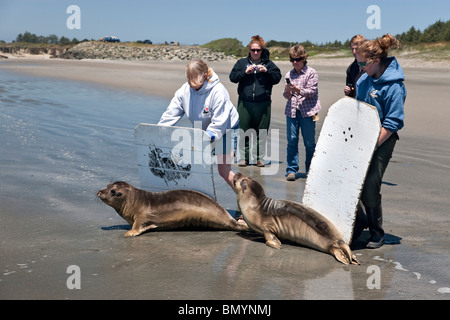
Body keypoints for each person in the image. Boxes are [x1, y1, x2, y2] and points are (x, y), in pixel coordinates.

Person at [354, 34, 406, 248]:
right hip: (362, 137)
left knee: (370, 185)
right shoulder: (364, 80)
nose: (360, 67)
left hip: (384, 138)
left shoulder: (394, 87)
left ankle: (377, 232)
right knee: (354, 180)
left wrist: (372, 145)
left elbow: (393, 122)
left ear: (375, 61)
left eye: (362, 63)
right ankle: (358, 223)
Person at [158, 59, 239, 190]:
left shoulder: (218, 92)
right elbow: (171, 113)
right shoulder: (184, 90)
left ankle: (248, 201)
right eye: (189, 80)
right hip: (201, 129)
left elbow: (219, 124)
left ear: (205, 76)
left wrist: (206, 139)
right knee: (194, 166)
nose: (191, 84)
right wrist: (159, 129)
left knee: (224, 171)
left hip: (226, 129)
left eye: (195, 81)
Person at [229, 35, 281, 167]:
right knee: (243, 131)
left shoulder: (269, 64)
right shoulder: (241, 63)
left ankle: (259, 158)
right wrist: (244, 72)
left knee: (261, 132)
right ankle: (244, 158)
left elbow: (277, 78)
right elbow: (233, 77)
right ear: (249, 50)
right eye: (253, 50)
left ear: (262, 51)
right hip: (244, 103)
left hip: (263, 103)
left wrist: (267, 71)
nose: (256, 52)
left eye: (258, 50)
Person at [283, 45, 321, 181]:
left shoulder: (311, 72)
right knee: (292, 141)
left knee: (309, 142)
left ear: (303, 59)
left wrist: (298, 90)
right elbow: (286, 96)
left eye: (297, 59)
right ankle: (291, 170)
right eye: (292, 59)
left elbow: (312, 92)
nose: (295, 62)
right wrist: (288, 90)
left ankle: (310, 169)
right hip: (292, 111)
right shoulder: (289, 74)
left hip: (308, 112)